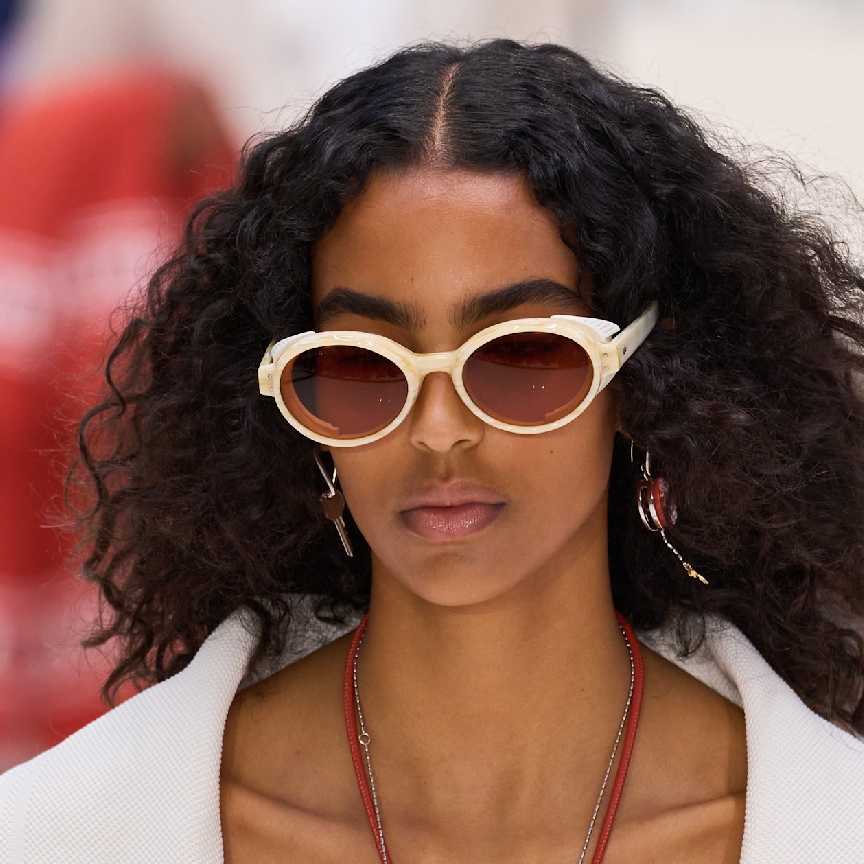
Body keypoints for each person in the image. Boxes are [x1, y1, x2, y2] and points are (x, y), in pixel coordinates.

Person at [2, 39, 864, 864]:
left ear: (649, 383)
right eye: (359, 367)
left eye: (523, 355)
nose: (439, 427)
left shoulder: (827, 822)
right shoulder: (59, 833)